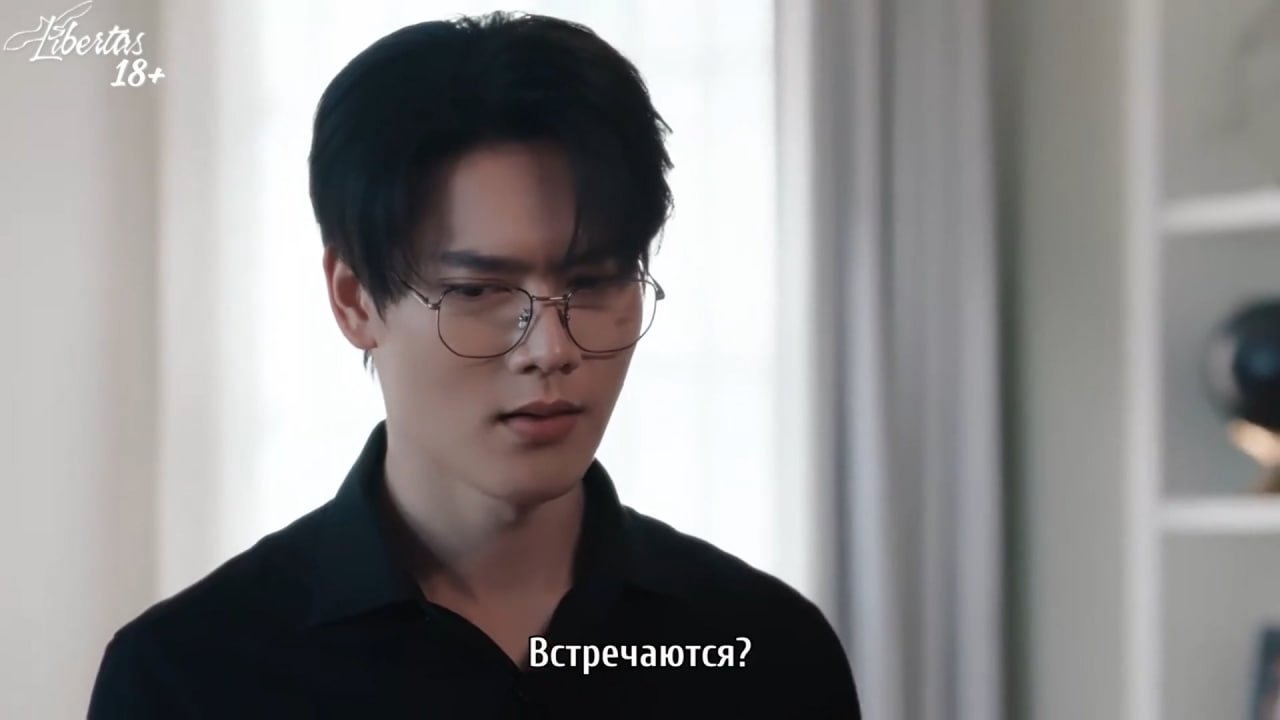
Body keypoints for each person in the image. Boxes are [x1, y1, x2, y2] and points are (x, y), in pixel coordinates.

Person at [87, 11, 861, 719]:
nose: (551, 349)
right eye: (479, 291)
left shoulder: (763, 652)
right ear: (355, 300)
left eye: (594, 282)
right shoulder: (193, 676)